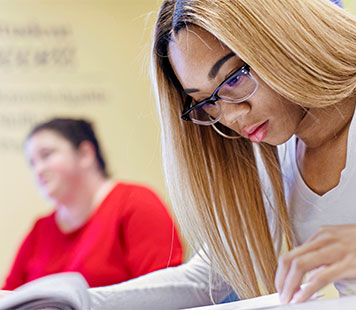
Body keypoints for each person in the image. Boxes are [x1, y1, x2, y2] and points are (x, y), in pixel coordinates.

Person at [83, 0, 356, 309]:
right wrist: (78, 303)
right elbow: (208, 278)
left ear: (284, 40)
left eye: (234, 79)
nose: (230, 117)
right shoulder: (278, 154)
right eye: (206, 102)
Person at [2, 117, 183, 290]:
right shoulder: (40, 230)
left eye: (47, 155)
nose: (38, 170)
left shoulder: (135, 203)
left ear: (85, 154)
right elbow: (9, 296)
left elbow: (163, 292)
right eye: (32, 163)